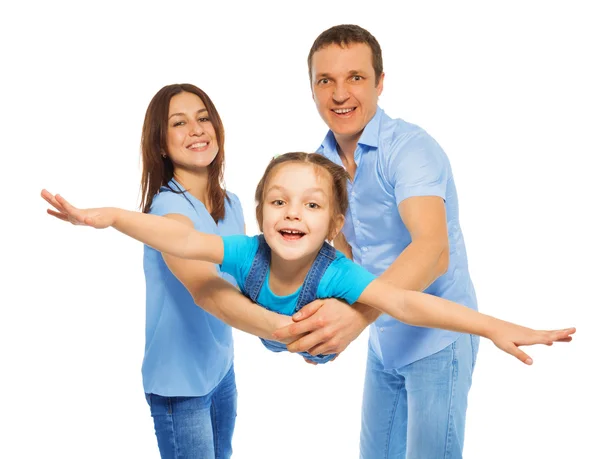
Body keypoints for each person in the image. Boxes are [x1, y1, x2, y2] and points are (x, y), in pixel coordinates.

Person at [270, 24, 570, 458]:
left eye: (355, 77)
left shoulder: (410, 148)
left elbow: (433, 251)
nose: (340, 94)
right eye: (325, 80)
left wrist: (355, 318)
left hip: (438, 338)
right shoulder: (321, 164)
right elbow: (347, 249)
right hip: (384, 339)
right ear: (312, 89)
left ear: (380, 83)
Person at [41, 152, 574, 373]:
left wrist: (496, 327)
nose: (292, 213)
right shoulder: (248, 250)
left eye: (311, 206)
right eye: (279, 202)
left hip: (319, 325)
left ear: (331, 221)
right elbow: (178, 240)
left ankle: (357, 235)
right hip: (274, 323)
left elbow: (408, 303)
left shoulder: (336, 271)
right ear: (260, 212)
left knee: (370, 288)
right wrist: (110, 216)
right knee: (197, 246)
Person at [41, 83, 297, 459]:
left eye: (203, 118)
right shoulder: (166, 210)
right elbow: (207, 291)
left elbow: (243, 282)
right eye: (179, 123)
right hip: (181, 387)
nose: (196, 129)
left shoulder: (231, 203)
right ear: (161, 144)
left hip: (220, 370)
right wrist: (288, 334)